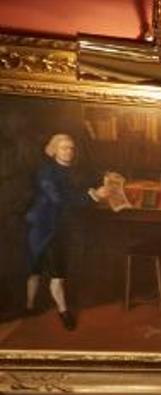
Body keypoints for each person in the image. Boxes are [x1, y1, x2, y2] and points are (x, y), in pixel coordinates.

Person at [24, 132, 105, 331]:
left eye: (71, 148)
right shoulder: (47, 172)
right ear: (54, 150)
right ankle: (40, 308)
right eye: (64, 148)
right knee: (37, 270)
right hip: (43, 226)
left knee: (52, 272)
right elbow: (59, 199)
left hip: (61, 226)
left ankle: (51, 309)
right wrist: (92, 196)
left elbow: (80, 188)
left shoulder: (74, 170)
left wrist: (97, 188)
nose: (69, 151)